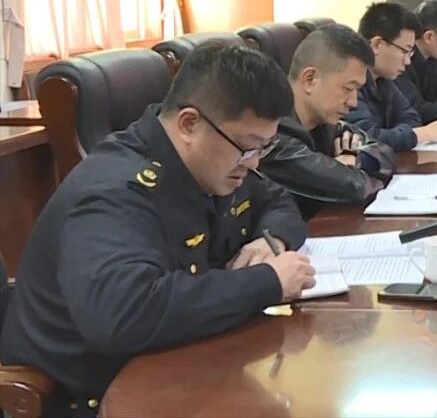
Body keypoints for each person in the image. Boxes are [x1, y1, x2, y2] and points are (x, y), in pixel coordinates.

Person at [0, 44, 317, 413]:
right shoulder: (114, 192)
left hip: (181, 369)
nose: (254, 163)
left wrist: (269, 240)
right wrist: (268, 282)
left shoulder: (214, 164)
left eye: (263, 148)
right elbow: (124, 315)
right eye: (248, 148)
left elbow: (277, 201)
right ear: (189, 124)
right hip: (94, 399)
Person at [256, 24, 396, 219]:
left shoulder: (325, 123)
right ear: (310, 79)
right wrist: (356, 173)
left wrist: (357, 160)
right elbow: (354, 188)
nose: (353, 102)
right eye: (348, 88)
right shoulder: (271, 134)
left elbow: (385, 152)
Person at [346, 1, 437, 152]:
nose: (407, 62)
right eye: (405, 51)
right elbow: (366, 138)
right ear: (377, 44)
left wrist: (398, 135)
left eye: (410, 54)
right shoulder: (349, 83)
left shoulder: (383, 80)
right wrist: (419, 135)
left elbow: (412, 118)